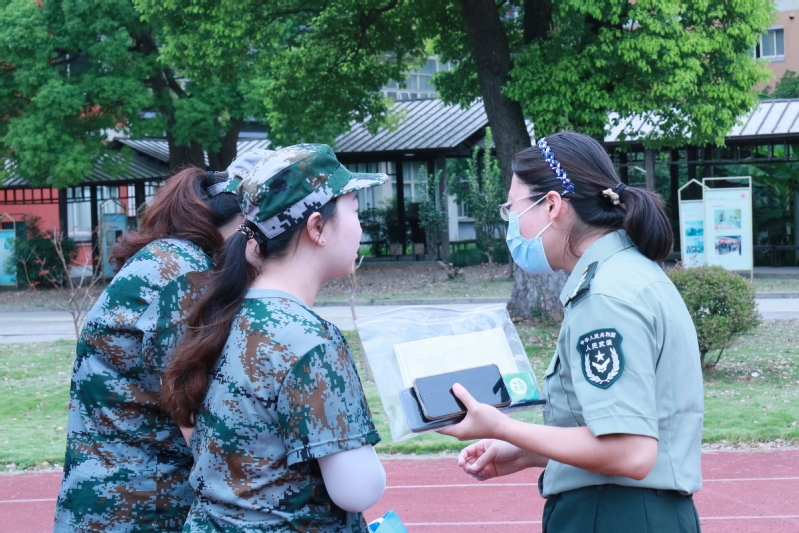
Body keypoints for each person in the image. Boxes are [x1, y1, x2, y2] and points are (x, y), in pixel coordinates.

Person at [439, 132, 704, 532]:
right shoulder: (631, 274)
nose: (512, 222)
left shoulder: (605, 296)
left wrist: (500, 425)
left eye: (513, 207)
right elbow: (628, 430)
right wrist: (527, 451)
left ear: (551, 205)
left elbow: (630, 452)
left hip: (612, 515)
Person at [161, 144, 387, 533]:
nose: (361, 225)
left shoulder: (221, 315)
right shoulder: (309, 340)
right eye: (354, 211)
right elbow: (358, 489)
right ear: (317, 227)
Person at [54, 151, 267, 532]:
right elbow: (206, 435)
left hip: (125, 503)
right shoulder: (182, 275)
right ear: (250, 223)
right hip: (139, 510)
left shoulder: (173, 259)